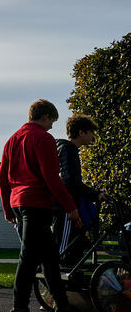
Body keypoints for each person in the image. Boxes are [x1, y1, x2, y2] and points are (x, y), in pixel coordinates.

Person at [0, 99, 88, 312]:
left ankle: (63, 307)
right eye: (52, 121)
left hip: (18, 201)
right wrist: (71, 208)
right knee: (28, 257)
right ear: (46, 116)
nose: (51, 127)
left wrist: (8, 208)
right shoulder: (43, 138)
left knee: (49, 258)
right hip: (36, 202)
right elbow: (51, 177)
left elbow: (2, 177)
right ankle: (19, 309)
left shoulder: (12, 139)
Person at [54, 114, 108, 266]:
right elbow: (71, 181)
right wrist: (95, 194)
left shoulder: (61, 148)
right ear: (81, 132)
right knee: (63, 247)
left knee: (71, 243)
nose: (93, 136)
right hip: (66, 206)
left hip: (65, 204)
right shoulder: (69, 149)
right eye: (91, 132)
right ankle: (57, 279)